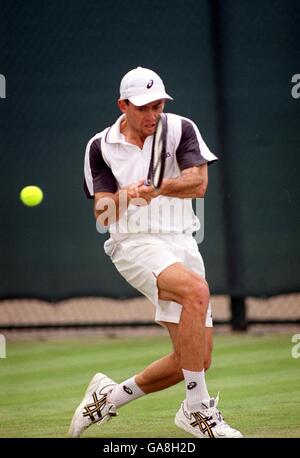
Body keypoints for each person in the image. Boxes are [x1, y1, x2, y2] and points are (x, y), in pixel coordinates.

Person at [69, 66, 242, 438]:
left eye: (158, 105)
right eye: (144, 107)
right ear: (123, 105)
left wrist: (159, 188)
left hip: (181, 241)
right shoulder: (99, 146)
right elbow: (102, 211)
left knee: (193, 360)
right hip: (132, 243)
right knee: (196, 291)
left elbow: (198, 184)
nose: (152, 115)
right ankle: (197, 410)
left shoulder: (181, 128)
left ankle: (107, 398)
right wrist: (126, 195)